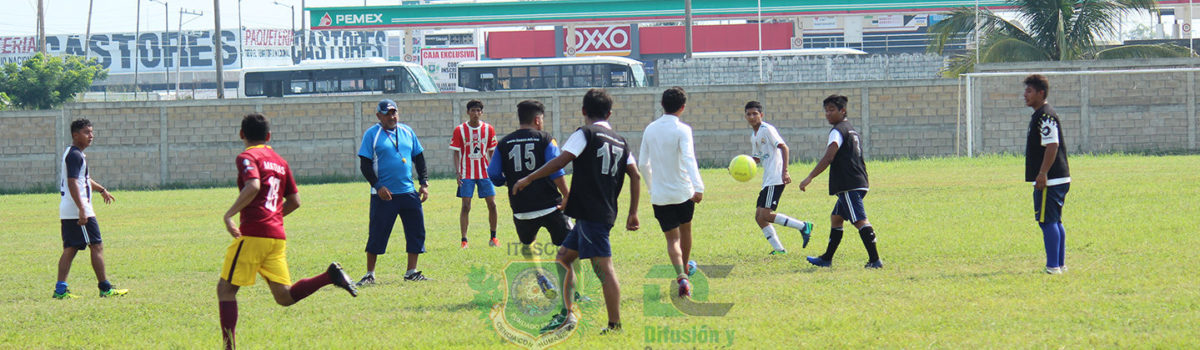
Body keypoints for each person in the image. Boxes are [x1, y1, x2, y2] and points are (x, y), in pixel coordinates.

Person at [217, 113, 357, 350]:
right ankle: (329, 276)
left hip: (253, 235)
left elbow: (253, 185)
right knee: (284, 296)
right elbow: (295, 201)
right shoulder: (280, 162)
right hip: (276, 237)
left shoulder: (246, 156)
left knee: (226, 290)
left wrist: (229, 214)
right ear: (269, 136)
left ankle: (229, 348)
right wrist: (273, 217)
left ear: (242, 134)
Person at [514, 89, 641, 335]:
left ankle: (615, 325)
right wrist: (632, 212)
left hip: (592, 215)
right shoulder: (620, 140)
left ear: (583, 111)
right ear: (610, 113)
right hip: (596, 213)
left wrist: (529, 178)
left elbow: (561, 161)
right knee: (563, 258)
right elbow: (635, 174)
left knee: (604, 269)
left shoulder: (585, 134)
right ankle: (568, 314)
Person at [487, 99, 575, 300]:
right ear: (537, 119)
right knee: (570, 247)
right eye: (542, 119)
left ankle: (540, 276)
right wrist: (567, 194)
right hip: (551, 205)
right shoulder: (545, 139)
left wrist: (507, 181)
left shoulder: (504, 143)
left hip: (521, 208)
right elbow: (556, 169)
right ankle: (573, 291)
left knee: (529, 244)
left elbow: (492, 174)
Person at [798, 95, 883, 269]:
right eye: (826, 110)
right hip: (857, 180)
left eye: (832, 110)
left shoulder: (838, 131)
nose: (828, 114)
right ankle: (826, 258)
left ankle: (875, 260)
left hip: (848, 184)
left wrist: (810, 177)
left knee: (859, 220)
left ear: (842, 111)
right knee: (836, 218)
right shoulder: (850, 129)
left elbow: (829, 156)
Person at [637, 87, 705, 298]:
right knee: (685, 231)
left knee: (671, 240)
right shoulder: (683, 130)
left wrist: (651, 187)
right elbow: (688, 158)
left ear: (662, 105)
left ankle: (682, 276)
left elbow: (642, 163)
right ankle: (684, 271)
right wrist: (698, 186)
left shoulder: (650, 129)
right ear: (682, 107)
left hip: (660, 195)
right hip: (683, 192)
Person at [356, 99, 432, 286]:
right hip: (384, 194)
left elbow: (419, 157)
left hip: (407, 191)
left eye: (394, 112)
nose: (392, 116)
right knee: (378, 233)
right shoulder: (372, 134)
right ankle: (370, 274)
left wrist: (423, 183)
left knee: (416, 231)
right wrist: (377, 186)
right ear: (379, 116)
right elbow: (365, 164)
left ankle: (411, 271)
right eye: (388, 113)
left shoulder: (407, 132)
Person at [53, 118, 127, 299]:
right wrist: (82, 209)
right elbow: (72, 183)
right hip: (78, 209)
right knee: (96, 245)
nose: (91, 136)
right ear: (75, 135)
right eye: (87, 132)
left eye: (92, 132)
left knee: (71, 248)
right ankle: (105, 288)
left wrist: (101, 189)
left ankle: (60, 290)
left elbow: (83, 180)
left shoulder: (73, 153)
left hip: (69, 209)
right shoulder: (75, 155)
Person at [743, 101, 814, 256]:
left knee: (766, 215)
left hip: (776, 177)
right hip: (767, 179)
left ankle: (803, 226)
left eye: (755, 113)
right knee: (759, 217)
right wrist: (740, 166)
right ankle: (779, 250)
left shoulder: (767, 129)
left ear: (761, 115)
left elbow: (784, 147)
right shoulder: (754, 136)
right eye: (749, 114)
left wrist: (785, 172)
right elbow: (756, 158)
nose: (752, 117)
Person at [1022, 74, 1071, 274]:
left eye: (1029, 91)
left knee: (1047, 221)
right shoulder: (1041, 114)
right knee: (1055, 221)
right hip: (1058, 177)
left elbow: (1052, 145)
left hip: (1051, 179)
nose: (1025, 95)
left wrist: (1042, 173)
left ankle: (1053, 267)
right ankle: (1059, 264)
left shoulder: (1046, 116)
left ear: (1041, 93)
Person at [450, 99, 499, 248]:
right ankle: (464, 240)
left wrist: (495, 169)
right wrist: (458, 171)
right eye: (473, 110)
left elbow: (492, 151)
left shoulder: (488, 129)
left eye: (478, 111)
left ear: (482, 112)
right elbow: (456, 153)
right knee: (466, 206)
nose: (476, 113)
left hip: (485, 172)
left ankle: (493, 238)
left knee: (492, 204)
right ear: (468, 112)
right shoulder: (460, 130)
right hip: (466, 173)